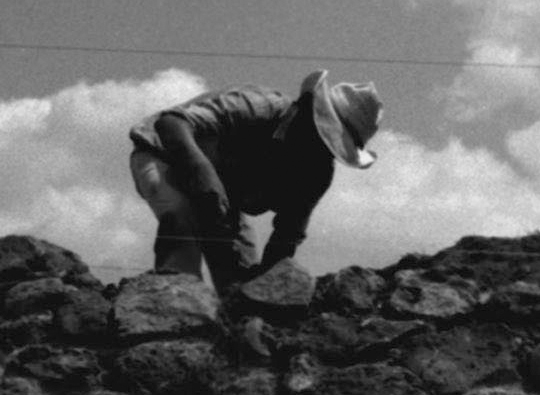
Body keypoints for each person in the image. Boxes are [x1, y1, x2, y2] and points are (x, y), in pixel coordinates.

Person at [128, 69, 383, 289]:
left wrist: (267, 286)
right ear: (306, 109)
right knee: (179, 217)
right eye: (322, 134)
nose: (319, 148)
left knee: (241, 286)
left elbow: (285, 239)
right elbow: (171, 123)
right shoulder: (257, 106)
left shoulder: (316, 175)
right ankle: (172, 314)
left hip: (223, 201)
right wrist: (202, 171)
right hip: (164, 155)